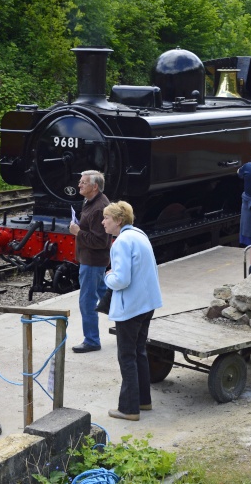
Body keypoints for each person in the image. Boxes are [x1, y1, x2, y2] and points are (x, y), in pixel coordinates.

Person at [102, 201, 163, 421]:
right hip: (147, 304)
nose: (103, 222)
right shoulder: (139, 234)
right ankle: (143, 400)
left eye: (106, 218)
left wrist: (107, 276)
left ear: (118, 220)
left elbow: (121, 280)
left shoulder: (120, 243)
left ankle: (129, 409)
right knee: (139, 352)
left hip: (131, 307)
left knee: (126, 356)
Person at [67, 170, 111, 354]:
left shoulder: (99, 207)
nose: (79, 185)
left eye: (83, 183)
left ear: (94, 186)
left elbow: (100, 241)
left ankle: (92, 340)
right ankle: (131, 322)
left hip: (93, 261)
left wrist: (78, 232)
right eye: (80, 182)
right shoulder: (91, 201)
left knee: (87, 301)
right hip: (91, 260)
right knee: (106, 295)